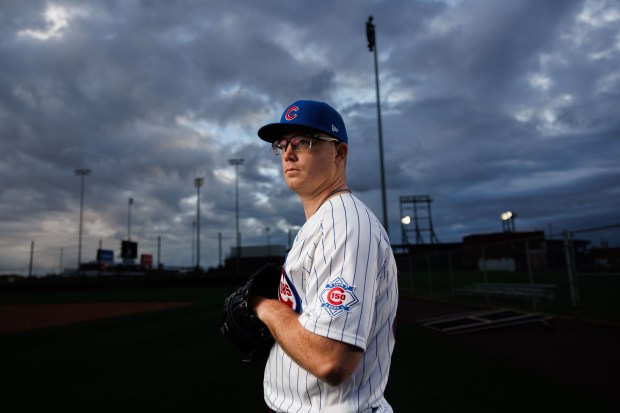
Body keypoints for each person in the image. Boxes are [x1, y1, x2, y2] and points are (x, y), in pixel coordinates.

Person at [252, 99, 399, 413]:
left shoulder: (346, 226)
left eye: (304, 142)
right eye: (282, 144)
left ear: (339, 153)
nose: (288, 153)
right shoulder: (321, 223)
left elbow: (330, 358)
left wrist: (267, 309)